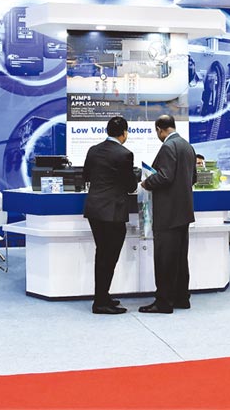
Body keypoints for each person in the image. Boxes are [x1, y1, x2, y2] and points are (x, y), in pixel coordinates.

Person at [139, 115, 198, 314]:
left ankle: (163, 302)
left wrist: (146, 182)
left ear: (159, 129)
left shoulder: (168, 146)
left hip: (167, 213)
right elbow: (193, 178)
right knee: (180, 259)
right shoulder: (187, 146)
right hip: (183, 212)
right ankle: (182, 298)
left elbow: (164, 176)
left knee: (164, 259)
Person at [81, 116, 139, 315]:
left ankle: (103, 296)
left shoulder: (93, 150)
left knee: (102, 255)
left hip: (95, 210)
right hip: (112, 212)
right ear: (124, 133)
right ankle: (100, 302)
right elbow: (130, 185)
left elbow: (86, 176)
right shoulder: (124, 154)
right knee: (109, 257)